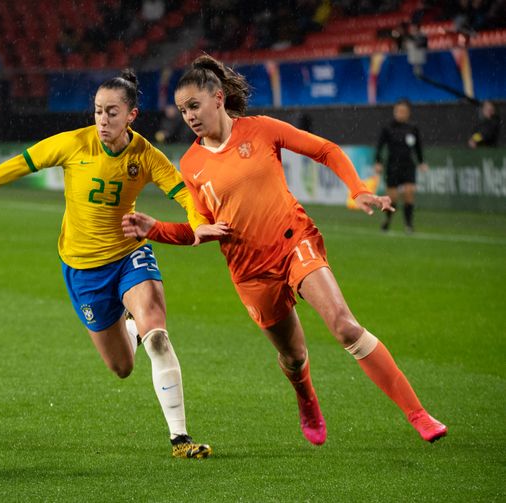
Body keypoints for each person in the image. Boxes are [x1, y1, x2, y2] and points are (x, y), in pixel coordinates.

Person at [122, 55, 447, 446]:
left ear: (218, 98)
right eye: (182, 110)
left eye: (194, 105)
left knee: (344, 325)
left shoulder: (260, 130)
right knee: (293, 357)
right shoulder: (191, 164)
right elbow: (199, 230)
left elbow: (325, 150)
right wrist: (154, 228)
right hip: (250, 270)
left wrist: (357, 188)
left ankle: (418, 413)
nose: (188, 116)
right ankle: (306, 396)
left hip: (294, 241)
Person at [0, 70, 211, 459]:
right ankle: (129, 327)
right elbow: (14, 167)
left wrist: (200, 225)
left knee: (158, 335)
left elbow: (185, 196)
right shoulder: (72, 144)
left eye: (112, 113)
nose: (102, 120)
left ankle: (180, 439)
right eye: (98, 111)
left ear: (132, 115)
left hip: (128, 254)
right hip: (83, 271)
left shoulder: (146, 157)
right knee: (122, 367)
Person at [374, 99, 428, 234]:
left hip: (408, 165)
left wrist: (421, 162)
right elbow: (379, 147)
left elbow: (418, 147)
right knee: (392, 199)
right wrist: (378, 162)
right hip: (392, 166)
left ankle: (408, 225)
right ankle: (387, 221)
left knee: (409, 194)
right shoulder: (387, 128)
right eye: (398, 111)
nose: (400, 114)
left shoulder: (413, 128)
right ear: (394, 112)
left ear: (408, 113)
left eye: (403, 111)